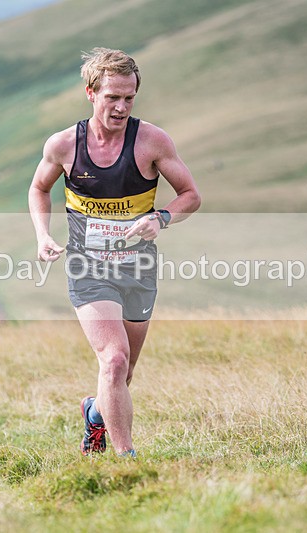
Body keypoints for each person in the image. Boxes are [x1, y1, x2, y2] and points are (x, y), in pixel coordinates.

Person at [28, 48, 201, 457]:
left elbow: (191, 196)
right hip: (88, 266)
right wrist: (42, 235)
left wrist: (161, 217)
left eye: (129, 98)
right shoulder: (65, 144)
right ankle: (126, 458)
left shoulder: (152, 141)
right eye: (112, 97)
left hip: (138, 266)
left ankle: (95, 413)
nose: (121, 107)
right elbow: (39, 188)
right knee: (114, 359)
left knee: (125, 373)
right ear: (91, 93)